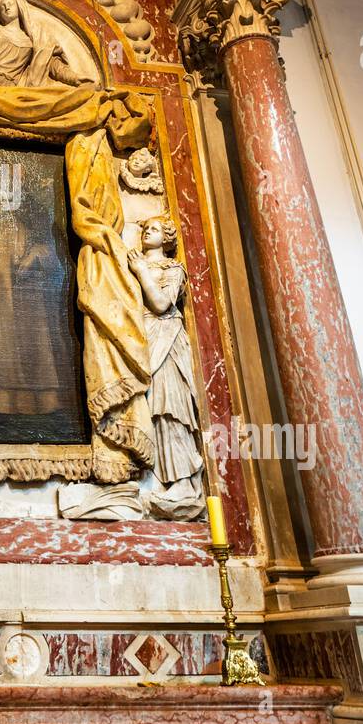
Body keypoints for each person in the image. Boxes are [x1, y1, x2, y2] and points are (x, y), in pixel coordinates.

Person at [127, 216, 205, 516]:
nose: (148, 231)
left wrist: (142, 272)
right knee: (151, 411)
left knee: (170, 408)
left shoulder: (172, 269)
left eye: (156, 229)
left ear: (168, 238)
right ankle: (161, 478)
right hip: (142, 339)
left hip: (166, 340)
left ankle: (184, 480)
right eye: (146, 228)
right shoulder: (133, 262)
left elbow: (161, 304)